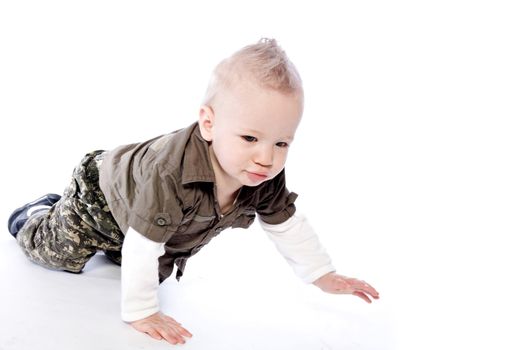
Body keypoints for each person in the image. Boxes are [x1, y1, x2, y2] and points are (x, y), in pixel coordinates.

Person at [7, 38, 379, 345]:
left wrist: (321, 274)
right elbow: (143, 244)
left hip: (150, 219)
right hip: (102, 197)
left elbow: (287, 225)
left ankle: (117, 241)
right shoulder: (172, 173)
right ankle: (39, 214)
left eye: (282, 143)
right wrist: (142, 312)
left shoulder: (260, 173)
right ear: (209, 123)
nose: (266, 157)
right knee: (59, 255)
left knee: (141, 267)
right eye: (250, 137)